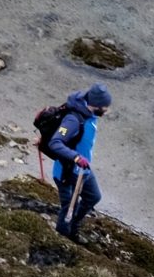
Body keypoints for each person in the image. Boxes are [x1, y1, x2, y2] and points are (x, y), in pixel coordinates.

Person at [39, 85, 111, 241]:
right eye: (105, 107)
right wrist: (76, 157)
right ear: (96, 105)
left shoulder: (90, 116)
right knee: (68, 209)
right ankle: (63, 239)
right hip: (67, 171)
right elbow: (55, 143)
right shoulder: (73, 120)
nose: (107, 110)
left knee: (94, 197)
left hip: (83, 170)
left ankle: (74, 225)